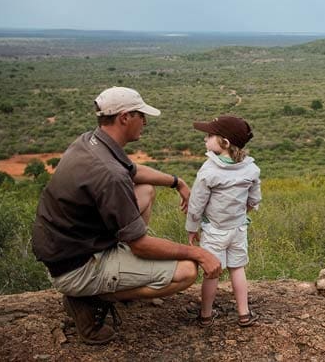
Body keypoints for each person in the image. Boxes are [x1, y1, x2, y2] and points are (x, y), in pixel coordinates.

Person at [32, 86, 221, 345]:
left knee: (145, 190)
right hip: (77, 267)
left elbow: (133, 171)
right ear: (124, 117)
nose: (144, 121)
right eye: (140, 115)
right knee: (187, 271)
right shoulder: (109, 174)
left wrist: (177, 182)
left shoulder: (91, 142)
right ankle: (90, 299)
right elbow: (141, 245)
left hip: (69, 247)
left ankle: (109, 277)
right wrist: (199, 253)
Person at [186, 115, 261, 327]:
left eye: (210, 136)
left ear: (224, 143)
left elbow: (196, 204)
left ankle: (206, 315)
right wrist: (242, 212)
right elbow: (254, 199)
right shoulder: (250, 169)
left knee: (212, 273)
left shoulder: (209, 171)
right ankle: (244, 314)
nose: (205, 139)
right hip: (238, 228)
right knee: (237, 269)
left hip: (214, 231)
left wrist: (192, 228)